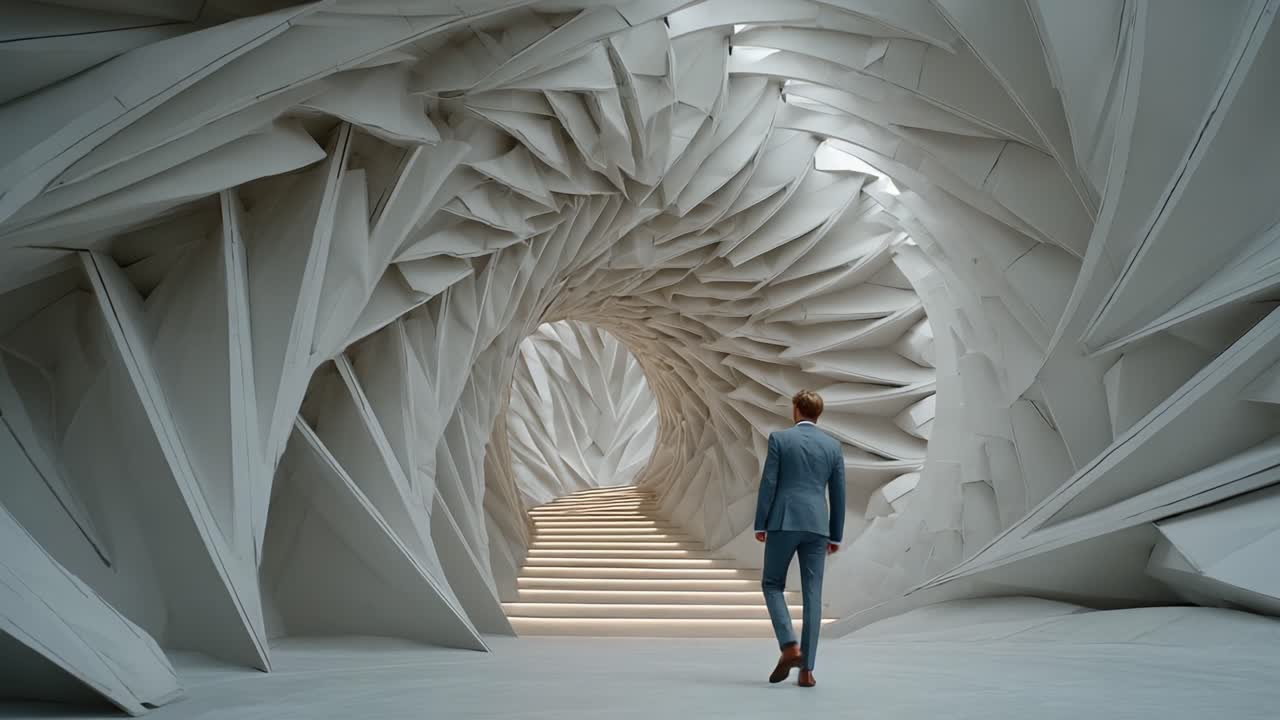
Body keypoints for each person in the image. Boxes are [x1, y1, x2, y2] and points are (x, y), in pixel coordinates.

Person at [753, 389, 846, 688]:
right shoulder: (832, 446)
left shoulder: (780, 439)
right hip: (818, 526)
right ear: (818, 413)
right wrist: (835, 534)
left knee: (772, 584)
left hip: (784, 521)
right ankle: (807, 671)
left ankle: (789, 646)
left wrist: (761, 523)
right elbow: (839, 494)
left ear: (796, 409)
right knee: (812, 595)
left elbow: (769, 483)